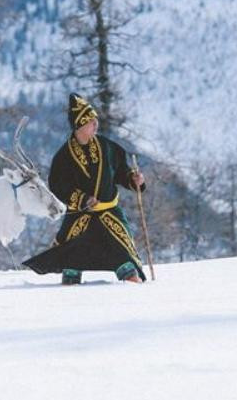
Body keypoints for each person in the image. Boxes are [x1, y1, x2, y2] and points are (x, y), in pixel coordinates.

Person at [23, 93, 147, 284]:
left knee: (120, 246)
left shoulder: (108, 147)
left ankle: (130, 278)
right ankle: (71, 282)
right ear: (79, 126)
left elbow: (122, 171)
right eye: (90, 122)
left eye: (95, 120)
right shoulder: (63, 156)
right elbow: (58, 185)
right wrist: (82, 199)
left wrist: (134, 179)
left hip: (109, 212)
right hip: (80, 214)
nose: (95, 124)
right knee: (73, 248)